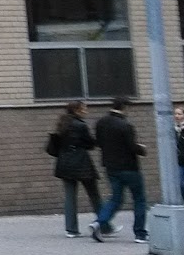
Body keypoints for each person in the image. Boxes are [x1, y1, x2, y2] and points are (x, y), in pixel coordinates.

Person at [91, 97, 148, 243]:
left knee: (115, 198)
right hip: (129, 167)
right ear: (124, 107)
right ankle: (140, 233)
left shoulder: (101, 123)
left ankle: (99, 222)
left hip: (111, 166)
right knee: (139, 199)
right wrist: (142, 149)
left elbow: (98, 142)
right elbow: (132, 147)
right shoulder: (125, 125)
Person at [48, 101, 101, 238]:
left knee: (70, 196)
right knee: (94, 194)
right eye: (84, 109)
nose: (86, 111)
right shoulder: (80, 125)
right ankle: (104, 224)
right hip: (81, 162)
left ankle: (71, 229)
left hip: (64, 162)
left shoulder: (62, 124)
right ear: (77, 110)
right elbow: (90, 143)